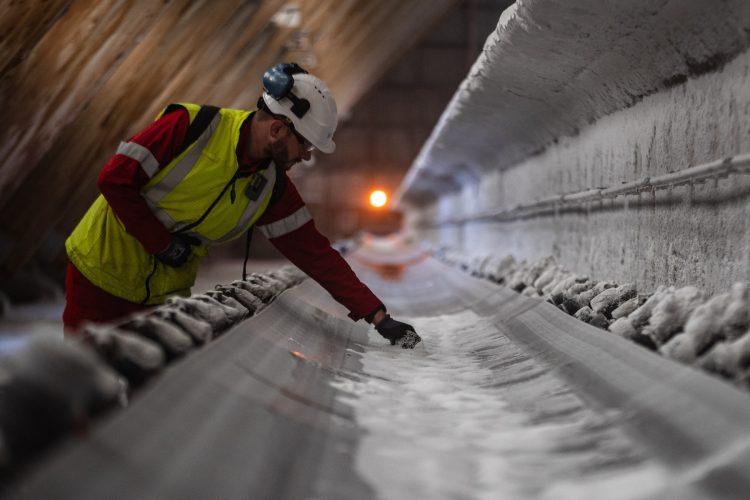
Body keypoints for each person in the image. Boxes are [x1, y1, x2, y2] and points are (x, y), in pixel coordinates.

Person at [63, 63, 421, 349]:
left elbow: (315, 254)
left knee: (142, 403)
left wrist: (378, 316)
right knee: (81, 391)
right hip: (101, 274)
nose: (306, 156)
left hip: (163, 296)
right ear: (278, 130)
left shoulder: (271, 187)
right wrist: (161, 243)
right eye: (305, 145)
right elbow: (115, 179)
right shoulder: (190, 127)